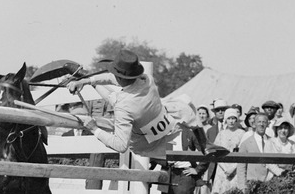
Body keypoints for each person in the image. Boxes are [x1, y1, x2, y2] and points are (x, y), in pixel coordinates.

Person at [67, 50, 227, 160]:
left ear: (120, 78)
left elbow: (120, 145)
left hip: (145, 143)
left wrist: (94, 128)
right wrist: (86, 81)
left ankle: (202, 144)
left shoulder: (123, 106)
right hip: (160, 117)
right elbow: (114, 79)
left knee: (113, 97)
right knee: (184, 106)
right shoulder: (145, 79)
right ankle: (204, 144)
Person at [208, 108, 245, 194]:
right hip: (222, 170)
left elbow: (242, 153)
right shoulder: (221, 134)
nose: (231, 121)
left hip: (235, 170)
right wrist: (225, 168)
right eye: (229, 118)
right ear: (225, 120)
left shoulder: (242, 133)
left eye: (234, 118)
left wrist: (233, 168)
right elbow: (215, 153)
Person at [237, 113, 271, 184]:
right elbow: (241, 167)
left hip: (270, 184)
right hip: (252, 185)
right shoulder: (246, 143)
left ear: (267, 124)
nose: (261, 124)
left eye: (264, 122)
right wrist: (242, 187)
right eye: (259, 122)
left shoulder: (272, 142)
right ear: (254, 124)